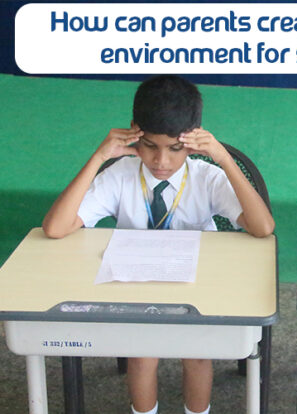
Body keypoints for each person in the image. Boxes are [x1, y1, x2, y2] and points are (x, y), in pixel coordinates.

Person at [42, 75, 274, 414]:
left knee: (196, 354)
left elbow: (263, 227)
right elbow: (55, 228)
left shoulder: (206, 177)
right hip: (135, 291)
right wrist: (98, 157)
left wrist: (223, 158)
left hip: (198, 289)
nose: (161, 161)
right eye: (149, 146)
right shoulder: (120, 174)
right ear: (134, 131)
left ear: (193, 140)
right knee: (141, 354)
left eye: (175, 149)